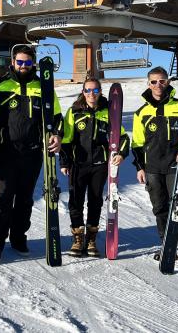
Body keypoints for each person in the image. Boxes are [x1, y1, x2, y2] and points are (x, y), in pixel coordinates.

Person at [0, 45, 63, 263]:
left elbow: (55, 116)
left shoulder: (44, 87)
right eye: (20, 62)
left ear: (33, 64)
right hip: (5, 152)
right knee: (3, 198)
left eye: (27, 62)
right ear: (13, 63)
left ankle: (18, 238)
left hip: (33, 152)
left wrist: (56, 135)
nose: (24, 66)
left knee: (25, 199)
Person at [132, 66, 178, 265]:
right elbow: (137, 144)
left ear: (168, 82)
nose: (158, 85)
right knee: (160, 209)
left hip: (175, 166)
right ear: (148, 84)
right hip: (152, 169)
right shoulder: (141, 112)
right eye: (154, 81)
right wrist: (140, 167)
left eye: (162, 81)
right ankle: (167, 245)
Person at [60, 77, 129, 257]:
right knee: (75, 201)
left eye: (96, 90)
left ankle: (91, 239)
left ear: (100, 92)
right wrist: (64, 162)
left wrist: (121, 153)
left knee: (95, 201)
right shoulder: (74, 112)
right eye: (88, 90)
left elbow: (122, 137)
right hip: (78, 164)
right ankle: (78, 239)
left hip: (99, 165)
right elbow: (66, 139)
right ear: (83, 92)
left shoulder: (109, 112)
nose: (92, 94)